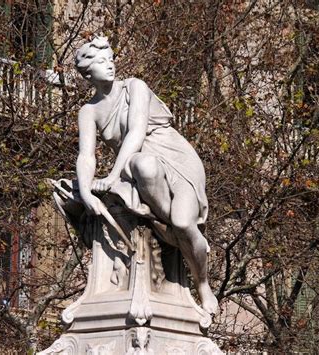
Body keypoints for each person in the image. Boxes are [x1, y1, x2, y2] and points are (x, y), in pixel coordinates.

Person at [73, 36, 218, 314]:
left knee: (184, 221)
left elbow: (137, 132)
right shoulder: (89, 112)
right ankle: (171, 230)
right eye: (103, 62)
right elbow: (86, 156)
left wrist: (114, 175)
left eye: (111, 60)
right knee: (145, 167)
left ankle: (202, 283)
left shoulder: (134, 87)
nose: (111, 66)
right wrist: (85, 190)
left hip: (174, 156)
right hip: (139, 162)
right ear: (89, 73)